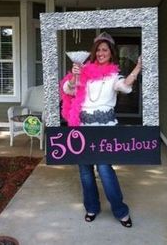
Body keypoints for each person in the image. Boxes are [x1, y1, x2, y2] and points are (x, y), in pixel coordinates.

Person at [60, 32, 142, 228]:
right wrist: (74, 77)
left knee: (105, 169)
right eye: (98, 49)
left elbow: (125, 86)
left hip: (105, 129)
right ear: (94, 52)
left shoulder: (114, 74)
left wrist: (138, 68)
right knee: (85, 171)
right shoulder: (84, 71)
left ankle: (120, 211)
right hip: (83, 127)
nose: (100, 53)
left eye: (104, 49)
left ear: (111, 52)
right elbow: (68, 89)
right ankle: (91, 207)